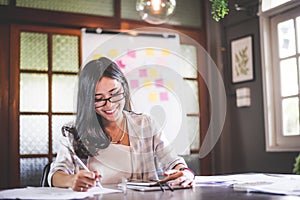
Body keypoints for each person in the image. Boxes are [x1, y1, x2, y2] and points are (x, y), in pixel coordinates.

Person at [48, 57, 195, 191]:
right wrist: (72, 179)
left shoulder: (146, 125)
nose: (109, 105)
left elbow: (173, 162)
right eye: (99, 99)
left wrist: (185, 173)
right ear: (87, 101)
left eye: (115, 94)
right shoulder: (75, 133)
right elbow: (56, 175)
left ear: (124, 88)